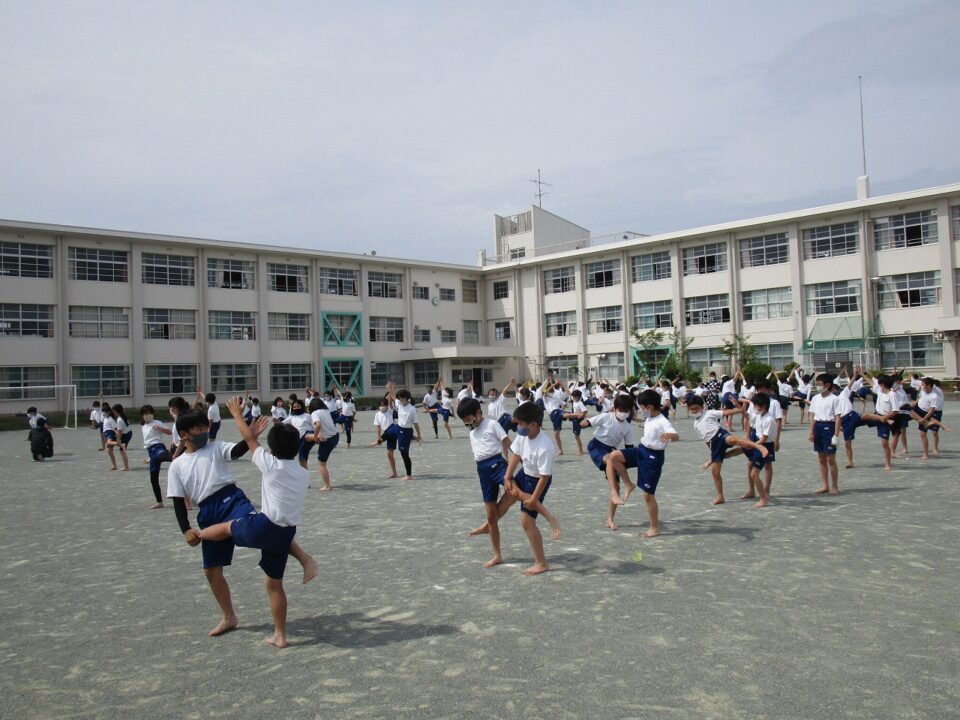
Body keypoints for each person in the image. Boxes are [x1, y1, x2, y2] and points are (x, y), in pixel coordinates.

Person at [167, 400, 317, 641]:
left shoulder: (215, 447)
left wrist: (250, 434)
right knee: (211, 570)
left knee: (264, 528)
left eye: (206, 428)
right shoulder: (177, 466)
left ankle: (303, 558)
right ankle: (229, 617)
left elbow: (238, 450)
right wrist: (185, 529)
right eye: (199, 429)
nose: (204, 432)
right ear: (184, 434)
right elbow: (177, 500)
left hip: (232, 500)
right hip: (207, 510)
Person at [457, 397, 515, 567]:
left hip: (497, 464)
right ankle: (497, 555)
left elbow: (509, 443)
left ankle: (487, 525)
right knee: (491, 515)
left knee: (514, 492)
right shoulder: (472, 432)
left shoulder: (492, 424)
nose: (467, 423)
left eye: (468, 419)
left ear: (477, 413)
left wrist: (523, 459)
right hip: (482, 469)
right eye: (464, 421)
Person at [505, 402, 562, 575]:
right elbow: (516, 455)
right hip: (525, 472)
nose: (518, 427)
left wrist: (534, 499)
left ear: (533, 424)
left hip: (537, 481)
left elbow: (544, 477)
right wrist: (508, 476)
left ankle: (541, 562)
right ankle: (488, 524)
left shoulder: (545, 447)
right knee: (507, 495)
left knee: (526, 521)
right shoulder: (523, 436)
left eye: (521, 424)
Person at [686, 395, 768, 506]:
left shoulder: (709, 413)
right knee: (715, 472)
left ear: (702, 407)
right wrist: (713, 455)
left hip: (720, 435)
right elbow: (706, 440)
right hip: (714, 444)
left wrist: (739, 409)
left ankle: (760, 447)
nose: (694, 411)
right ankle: (720, 496)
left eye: (696, 408)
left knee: (734, 439)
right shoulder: (695, 425)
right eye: (692, 409)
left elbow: (726, 412)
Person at [618, 389, 679, 537]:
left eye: (642, 407)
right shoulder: (650, 418)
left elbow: (676, 435)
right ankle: (628, 484)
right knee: (613, 456)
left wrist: (670, 435)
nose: (641, 410)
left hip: (653, 457)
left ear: (649, 407)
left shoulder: (663, 421)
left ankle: (654, 528)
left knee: (648, 495)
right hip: (641, 450)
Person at [579, 394, 638, 530]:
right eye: (621, 410)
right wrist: (584, 423)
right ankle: (626, 484)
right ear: (615, 408)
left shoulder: (628, 428)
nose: (623, 413)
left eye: (626, 411)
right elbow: (589, 422)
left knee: (617, 485)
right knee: (611, 458)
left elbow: (628, 450)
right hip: (597, 446)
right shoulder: (606, 417)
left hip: (611, 450)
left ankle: (610, 519)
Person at [808, 374, 842, 494]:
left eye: (819, 384)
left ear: (827, 385)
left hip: (829, 426)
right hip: (818, 426)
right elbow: (812, 415)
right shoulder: (815, 398)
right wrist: (811, 432)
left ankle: (834, 485)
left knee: (830, 459)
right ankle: (825, 485)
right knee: (821, 458)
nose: (817, 386)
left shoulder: (834, 399)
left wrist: (836, 435)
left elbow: (838, 417)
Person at [141, 405, 173, 508]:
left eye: (149, 413)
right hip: (151, 451)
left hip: (158, 447)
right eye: (145, 414)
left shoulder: (157, 422)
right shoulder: (143, 426)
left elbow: (170, 432)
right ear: (142, 415)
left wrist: (160, 428)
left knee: (162, 456)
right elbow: (147, 442)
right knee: (153, 478)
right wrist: (150, 458)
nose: (148, 415)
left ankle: (178, 458)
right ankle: (159, 502)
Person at [310, 396, 339, 491]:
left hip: (328, 440)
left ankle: (327, 486)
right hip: (335, 436)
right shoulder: (326, 410)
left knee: (321, 463)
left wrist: (315, 437)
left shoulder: (314, 413)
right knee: (323, 461)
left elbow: (318, 425)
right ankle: (327, 485)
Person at [283, 398, 315, 469]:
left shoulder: (307, 416)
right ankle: (304, 469)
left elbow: (314, 426)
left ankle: (317, 438)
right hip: (299, 439)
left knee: (307, 436)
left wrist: (317, 434)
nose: (296, 408)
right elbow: (282, 424)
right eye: (294, 407)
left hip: (308, 434)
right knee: (302, 458)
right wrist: (276, 422)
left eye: (298, 406)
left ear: (302, 407)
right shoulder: (291, 417)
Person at [563, 388, 588, 456]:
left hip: (577, 420)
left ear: (577, 397)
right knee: (576, 436)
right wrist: (563, 386)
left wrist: (581, 416)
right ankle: (580, 450)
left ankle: (581, 451)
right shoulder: (575, 401)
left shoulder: (580, 403)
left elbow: (585, 411)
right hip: (574, 419)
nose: (572, 397)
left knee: (577, 436)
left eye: (574, 397)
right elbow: (569, 393)